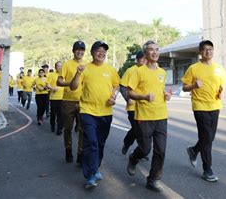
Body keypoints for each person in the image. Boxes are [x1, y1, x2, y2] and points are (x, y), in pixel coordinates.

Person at [70, 41, 120, 189]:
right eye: (98, 50)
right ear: (92, 53)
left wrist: (113, 96)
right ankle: (91, 175)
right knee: (91, 142)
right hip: (87, 111)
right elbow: (73, 87)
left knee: (100, 143)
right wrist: (78, 73)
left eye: (104, 51)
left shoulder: (110, 70)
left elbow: (116, 85)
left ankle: (95, 168)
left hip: (106, 113)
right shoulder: (84, 68)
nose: (101, 53)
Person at [126, 40, 172, 192]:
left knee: (161, 150)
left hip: (161, 115)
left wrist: (166, 95)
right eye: (151, 49)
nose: (155, 52)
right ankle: (134, 157)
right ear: (146, 53)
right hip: (144, 116)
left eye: (157, 49)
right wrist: (144, 97)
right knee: (145, 149)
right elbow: (129, 92)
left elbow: (160, 90)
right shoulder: (139, 71)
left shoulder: (162, 73)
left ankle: (153, 179)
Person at [182, 39, 226, 182]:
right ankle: (207, 169)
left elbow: (222, 84)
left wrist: (222, 92)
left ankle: (194, 150)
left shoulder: (219, 68)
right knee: (207, 138)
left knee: (209, 137)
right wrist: (194, 86)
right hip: (200, 106)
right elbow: (184, 87)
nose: (208, 52)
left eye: (210, 49)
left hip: (215, 106)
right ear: (200, 52)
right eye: (205, 49)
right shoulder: (193, 68)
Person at [57, 40, 88, 164]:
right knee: (68, 128)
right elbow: (59, 82)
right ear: (73, 51)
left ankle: (80, 153)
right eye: (77, 49)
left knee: (82, 129)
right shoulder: (67, 65)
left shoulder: (87, 65)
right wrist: (70, 84)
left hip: (83, 101)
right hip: (68, 101)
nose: (80, 51)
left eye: (82, 50)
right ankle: (68, 150)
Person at [120, 51, 146, 155]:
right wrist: (127, 98)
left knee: (143, 131)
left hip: (145, 107)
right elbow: (122, 87)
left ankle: (141, 151)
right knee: (137, 130)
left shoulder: (149, 70)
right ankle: (127, 144)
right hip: (133, 107)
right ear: (137, 60)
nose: (144, 61)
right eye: (142, 59)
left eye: (146, 59)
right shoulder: (131, 71)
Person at [48, 61, 64, 134]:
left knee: (60, 114)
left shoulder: (64, 75)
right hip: (53, 98)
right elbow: (47, 84)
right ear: (55, 67)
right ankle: (52, 125)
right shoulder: (52, 75)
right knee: (53, 114)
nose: (59, 67)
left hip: (62, 98)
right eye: (58, 66)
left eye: (61, 66)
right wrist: (53, 88)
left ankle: (59, 129)